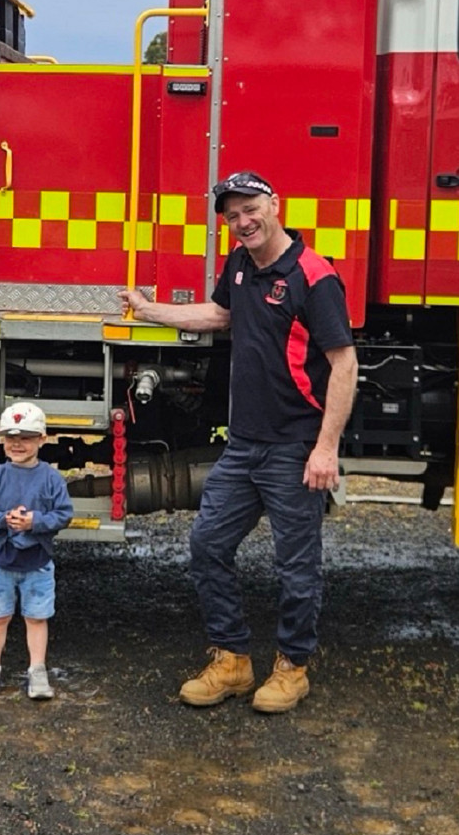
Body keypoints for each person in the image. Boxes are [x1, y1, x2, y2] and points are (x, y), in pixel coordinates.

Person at [121, 171, 357, 713]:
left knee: (296, 567)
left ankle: (292, 668)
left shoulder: (314, 276)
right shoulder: (242, 266)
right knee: (208, 546)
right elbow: (221, 314)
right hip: (243, 445)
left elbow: (345, 364)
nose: (242, 222)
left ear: (274, 204)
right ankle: (232, 661)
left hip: (294, 447)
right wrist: (151, 310)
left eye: (250, 209)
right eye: (231, 216)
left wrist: (326, 448)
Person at [0, 401, 76, 700]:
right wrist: (3, 520)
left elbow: (63, 514)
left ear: (42, 439)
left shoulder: (51, 479)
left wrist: (35, 522)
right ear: (2, 440)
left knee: (36, 618)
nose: (17, 444)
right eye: (11, 438)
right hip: (2, 561)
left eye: (26, 437)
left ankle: (37, 670)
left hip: (38, 563)